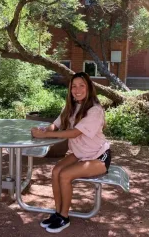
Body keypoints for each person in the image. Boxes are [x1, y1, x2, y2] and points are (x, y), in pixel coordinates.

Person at [31, 72, 111, 233]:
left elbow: (74, 133)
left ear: (89, 88)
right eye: (74, 86)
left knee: (65, 175)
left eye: (82, 85)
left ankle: (64, 217)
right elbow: (56, 124)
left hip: (98, 156)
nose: (77, 89)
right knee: (56, 172)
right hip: (79, 153)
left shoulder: (95, 110)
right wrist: (44, 130)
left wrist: (46, 135)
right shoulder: (71, 106)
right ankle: (58, 212)